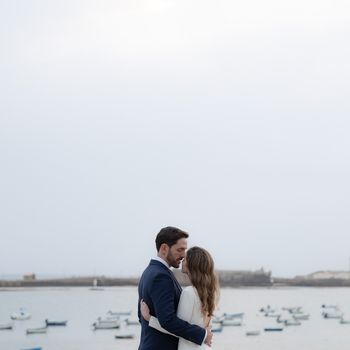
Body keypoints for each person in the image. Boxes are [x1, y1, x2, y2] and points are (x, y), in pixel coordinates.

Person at [138, 227, 214, 350]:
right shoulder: (161, 276)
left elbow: (142, 317)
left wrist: (149, 319)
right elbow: (168, 321)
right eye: (180, 250)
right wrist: (203, 335)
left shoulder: (149, 272)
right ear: (164, 248)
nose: (184, 255)